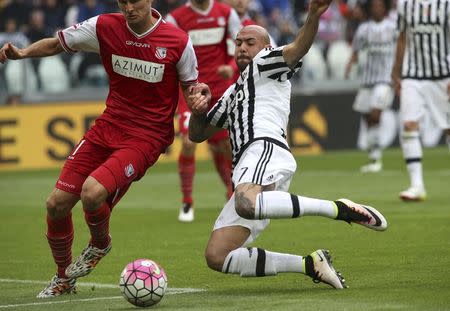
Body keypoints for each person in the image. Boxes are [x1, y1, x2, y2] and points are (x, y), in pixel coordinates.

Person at [0, 0, 199, 298]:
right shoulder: (104, 27)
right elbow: (57, 44)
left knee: (92, 193)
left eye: (136, 1)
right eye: (123, 2)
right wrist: (24, 53)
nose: (130, 8)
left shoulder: (178, 41)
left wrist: (197, 102)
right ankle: (63, 278)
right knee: (55, 204)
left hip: (147, 136)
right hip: (108, 126)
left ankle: (100, 243)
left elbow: (191, 87)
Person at [187, 0, 388, 288]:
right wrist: (198, 111)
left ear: (265, 47)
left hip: (264, 149)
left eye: (250, 42)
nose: (242, 47)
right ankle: (309, 264)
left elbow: (297, 48)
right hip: (248, 166)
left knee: (246, 203)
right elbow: (198, 134)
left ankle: (337, 208)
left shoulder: (265, 63)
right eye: (238, 43)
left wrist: (313, 15)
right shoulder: (233, 91)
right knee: (217, 255)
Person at [166, 0, 241, 222]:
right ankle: (187, 202)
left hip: (219, 89)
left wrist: (232, 66)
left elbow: (239, 46)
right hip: (190, 90)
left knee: (224, 144)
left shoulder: (226, 13)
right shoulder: (176, 18)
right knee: (189, 143)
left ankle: (231, 192)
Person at [391, 0, 450, 201]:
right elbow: (401, 38)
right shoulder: (405, 4)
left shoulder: (446, 4)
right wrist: (396, 71)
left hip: (443, 76)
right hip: (412, 76)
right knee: (409, 124)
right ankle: (417, 185)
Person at [344, 0, 397, 173]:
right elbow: (356, 51)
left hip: (385, 80)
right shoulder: (363, 29)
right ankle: (374, 157)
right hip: (367, 81)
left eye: (380, 6)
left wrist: (399, 74)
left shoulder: (393, 27)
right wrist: (349, 66)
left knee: (375, 115)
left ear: (385, 8)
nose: (377, 9)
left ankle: (376, 158)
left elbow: (403, 46)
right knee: (368, 119)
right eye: (374, 6)